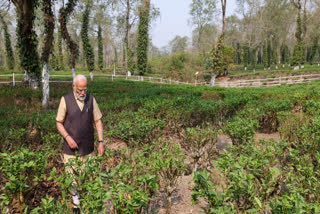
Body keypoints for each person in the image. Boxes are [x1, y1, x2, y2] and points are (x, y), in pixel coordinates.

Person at [56, 74, 104, 213]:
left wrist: (101, 141)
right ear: (74, 87)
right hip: (71, 150)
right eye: (80, 90)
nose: (83, 93)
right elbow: (59, 123)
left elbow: (98, 121)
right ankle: (76, 205)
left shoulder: (91, 99)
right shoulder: (65, 100)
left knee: (89, 177)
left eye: (85, 90)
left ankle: (88, 203)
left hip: (88, 147)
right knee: (73, 178)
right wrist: (67, 137)